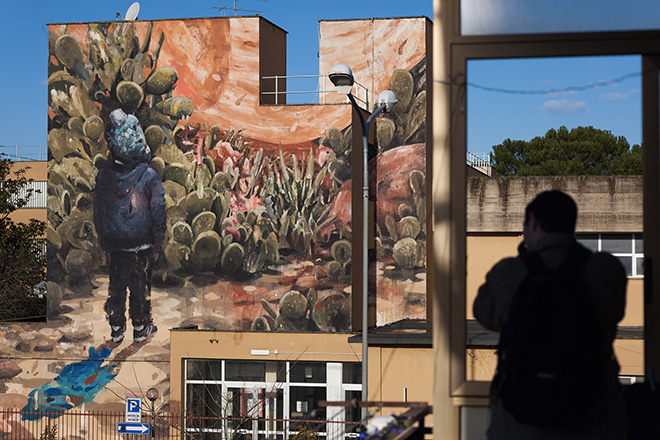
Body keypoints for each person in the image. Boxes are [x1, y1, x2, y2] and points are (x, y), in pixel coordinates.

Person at [473, 190, 627, 439]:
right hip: (593, 420)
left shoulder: (509, 272)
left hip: (519, 422)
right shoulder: (605, 270)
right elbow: (615, 313)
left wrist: (523, 261)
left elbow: (483, 313)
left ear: (533, 221)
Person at [93, 108, 166, 344]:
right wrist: (158, 242)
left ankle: (116, 328)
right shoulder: (150, 175)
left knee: (116, 287)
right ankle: (141, 326)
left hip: (115, 245)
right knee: (140, 288)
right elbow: (158, 212)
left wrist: (105, 241)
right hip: (142, 244)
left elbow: (99, 211)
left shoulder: (103, 175)